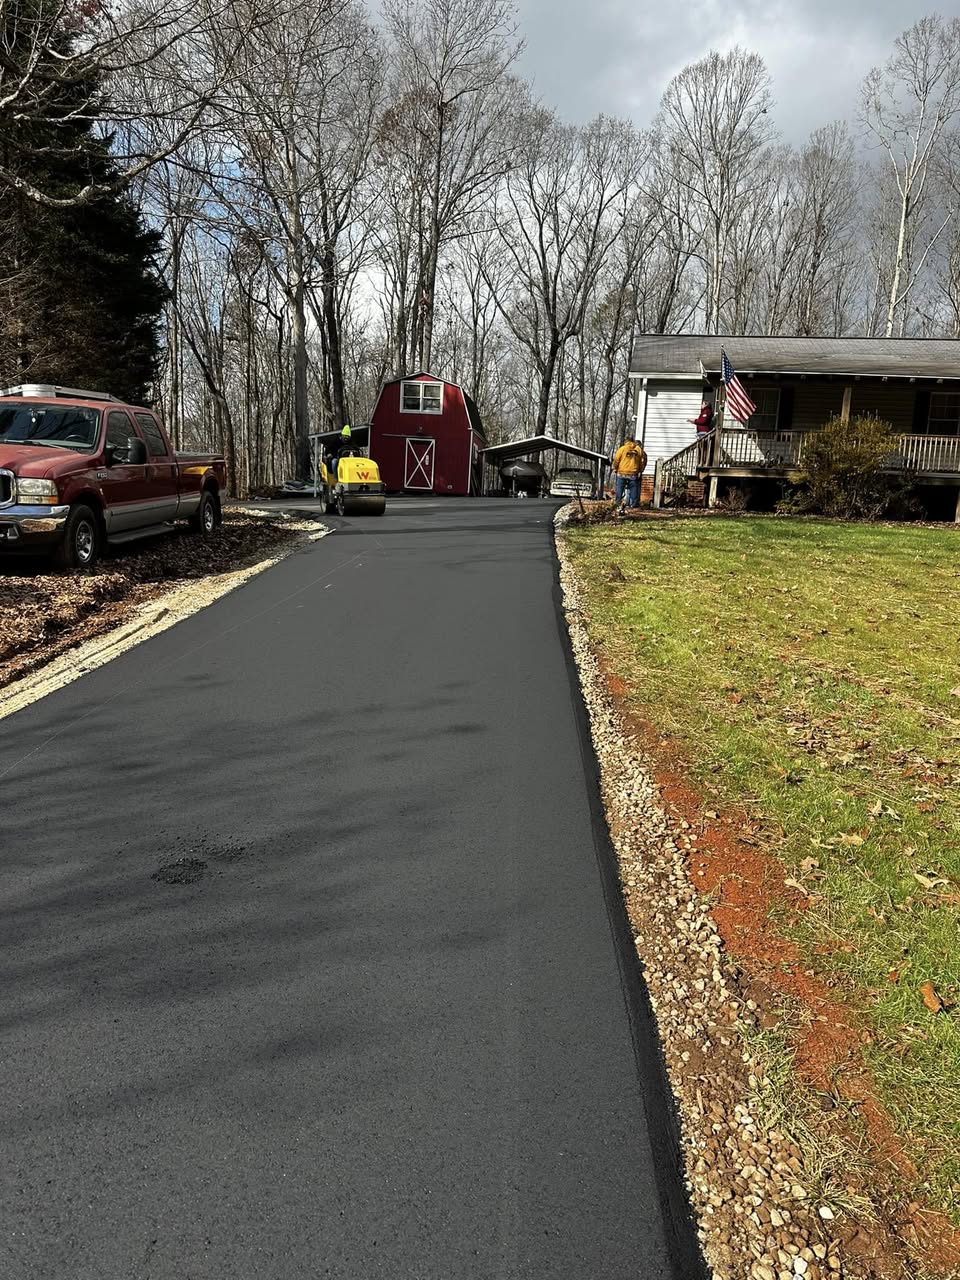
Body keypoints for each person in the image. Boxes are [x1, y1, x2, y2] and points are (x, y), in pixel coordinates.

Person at [611, 435, 646, 513]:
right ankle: (634, 505)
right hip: (633, 473)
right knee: (634, 489)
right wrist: (640, 470)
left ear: (626, 441)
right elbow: (642, 461)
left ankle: (617, 503)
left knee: (619, 488)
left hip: (622, 473)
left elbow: (616, 459)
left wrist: (615, 468)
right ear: (633, 441)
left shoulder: (622, 449)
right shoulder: (638, 450)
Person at [690, 399, 714, 466]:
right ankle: (701, 463)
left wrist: (694, 421)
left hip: (703, 433)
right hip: (701, 432)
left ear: (706, 404)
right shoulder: (704, 411)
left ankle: (704, 463)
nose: (701, 405)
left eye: (702, 404)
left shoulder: (706, 411)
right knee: (701, 448)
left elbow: (703, 421)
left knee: (703, 448)